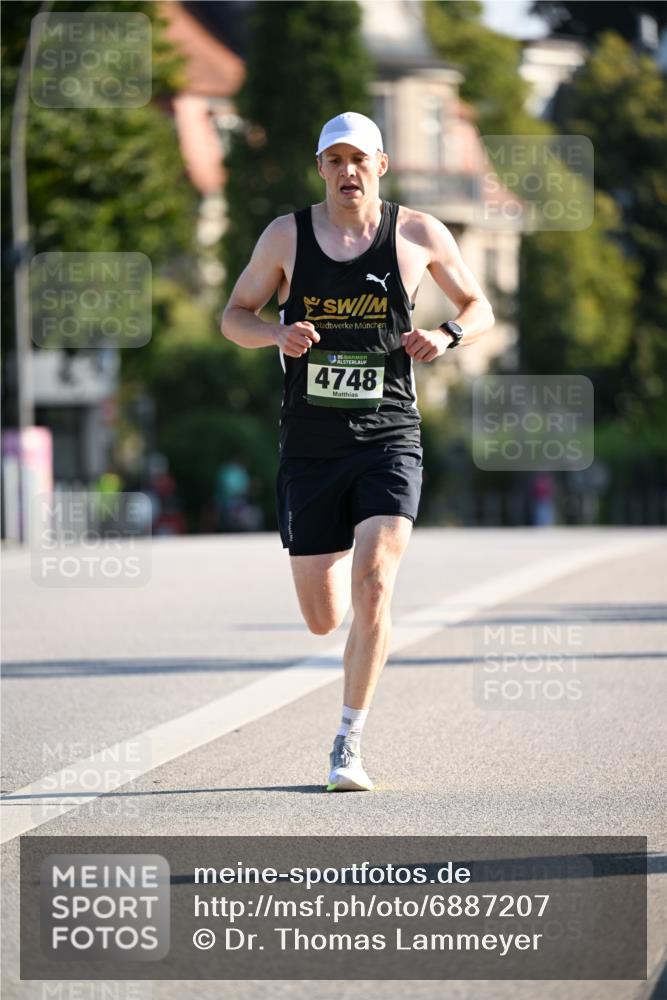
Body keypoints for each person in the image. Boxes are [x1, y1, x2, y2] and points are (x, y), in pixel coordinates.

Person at [222, 111, 494, 791]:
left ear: (381, 164)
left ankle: (348, 743)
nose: (347, 171)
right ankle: (340, 585)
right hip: (311, 447)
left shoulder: (416, 233)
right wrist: (273, 337)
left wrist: (449, 333)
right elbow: (234, 315)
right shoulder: (286, 235)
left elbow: (479, 304)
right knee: (324, 620)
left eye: (359, 159)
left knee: (375, 583)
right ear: (320, 168)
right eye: (334, 160)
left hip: (389, 436)